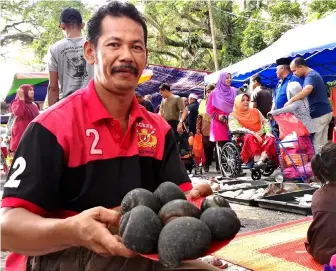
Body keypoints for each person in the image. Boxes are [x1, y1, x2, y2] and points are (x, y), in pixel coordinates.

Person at [1, 2, 214, 270]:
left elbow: (177, 201)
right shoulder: (51, 128)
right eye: (114, 44)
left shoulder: (158, 130)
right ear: (90, 52)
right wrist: (72, 230)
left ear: (145, 56)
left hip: (134, 250)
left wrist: (198, 203)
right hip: (60, 254)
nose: (127, 55)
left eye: (136, 47)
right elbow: (6, 230)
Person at [46, 7, 94, 107]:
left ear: (62, 26)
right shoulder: (94, 45)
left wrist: (51, 114)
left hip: (68, 105)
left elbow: (53, 87)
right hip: (91, 103)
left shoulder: (54, 49)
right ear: (82, 25)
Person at [288, 57, 332, 153]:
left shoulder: (310, 76)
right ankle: (325, 165)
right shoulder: (314, 74)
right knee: (323, 143)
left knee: (316, 143)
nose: (293, 74)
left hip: (319, 114)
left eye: (294, 70)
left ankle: (318, 166)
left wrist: (291, 100)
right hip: (325, 112)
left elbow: (307, 90)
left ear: (301, 67)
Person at [228, 94, 277, 170]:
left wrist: (268, 131)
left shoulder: (255, 111)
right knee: (250, 137)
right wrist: (253, 133)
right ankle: (256, 160)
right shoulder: (233, 115)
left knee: (271, 138)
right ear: (237, 102)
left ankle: (261, 160)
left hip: (261, 135)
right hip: (244, 137)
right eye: (243, 100)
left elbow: (265, 121)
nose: (246, 102)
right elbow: (235, 129)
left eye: (247, 100)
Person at [206, 72, 237, 173]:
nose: (229, 79)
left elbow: (236, 106)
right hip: (219, 122)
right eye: (226, 78)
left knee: (233, 145)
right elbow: (209, 109)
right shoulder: (214, 93)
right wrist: (218, 116)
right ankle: (223, 169)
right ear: (221, 79)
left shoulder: (233, 91)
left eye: (230, 78)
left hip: (231, 121)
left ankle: (234, 169)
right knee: (221, 146)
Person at [9, 84, 39, 152]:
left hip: (32, 135)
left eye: (33, 90)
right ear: (23, 92)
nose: (32, 92)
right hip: (20, 136)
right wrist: (21, 99)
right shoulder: (16, 102)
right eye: (30, 90)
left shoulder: (34, 105)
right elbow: (19, 113)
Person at [196, 84, 216, 172]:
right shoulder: (203, 103)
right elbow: (199, 116)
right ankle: (206, 164)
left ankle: (219, 166)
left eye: (211, 91)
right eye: (207, 92)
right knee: (207, 146)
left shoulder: (218, 101)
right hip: (206, 127)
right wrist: (198, 128)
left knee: (218, 146)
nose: (209, 93)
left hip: (217, 126)